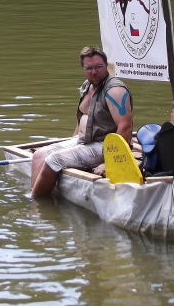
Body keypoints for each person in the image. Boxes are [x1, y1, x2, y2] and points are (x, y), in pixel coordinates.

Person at [30, 46, 133, 197]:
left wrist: (109, 163)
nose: (94, 72)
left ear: (106, 66)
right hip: (85, 140)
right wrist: (72, 143)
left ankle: (36, 203)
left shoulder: (115, 90)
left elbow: (125, 127)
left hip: (105, 145)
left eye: (99, 67)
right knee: (39, 155)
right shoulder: (87, 86)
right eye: (89, 68)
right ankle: (34, 193)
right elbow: (82, 119)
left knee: (54, 160)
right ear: (83, 68)